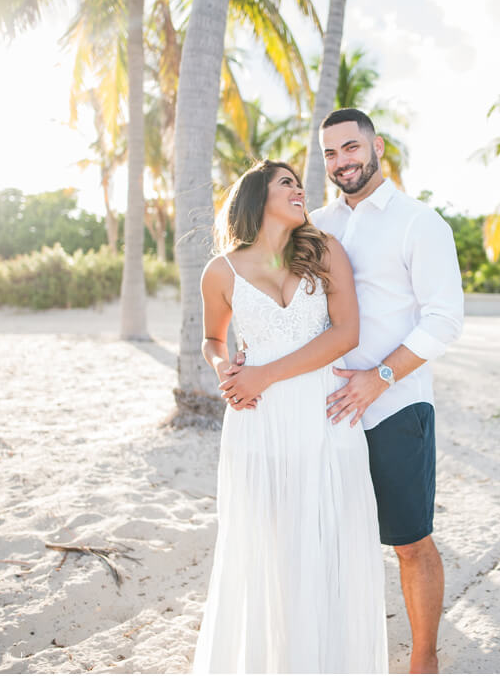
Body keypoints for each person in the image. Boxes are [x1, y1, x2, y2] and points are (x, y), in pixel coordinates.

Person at [191, 160, 387, 673]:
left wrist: (265, 373)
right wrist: (224, 370)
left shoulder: (324, 251)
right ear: (256, 197)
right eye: (287, 184)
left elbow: (346, 334)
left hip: (326, 414)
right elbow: (212, 339)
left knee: (329, 541)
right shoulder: (222, 271)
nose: (300, 191)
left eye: (300, 185)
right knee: (269, 547)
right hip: (258, 420)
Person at [310, 108, 465, 674]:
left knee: (410, 542)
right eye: (330, 153)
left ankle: (423, 658)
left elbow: (444, 320)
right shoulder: (317, 223)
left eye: (350, 148)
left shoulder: (418, 221)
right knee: (331, 541)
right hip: (326, 411)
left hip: (396, 405)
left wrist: (379, 378)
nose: (341, 161)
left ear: (376, 147)